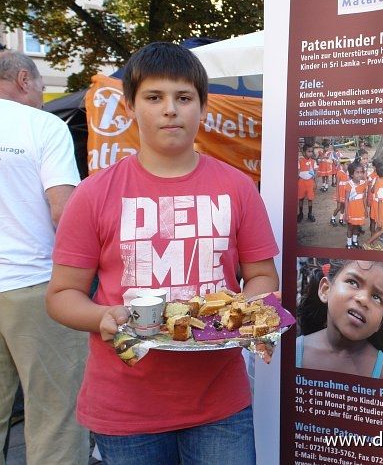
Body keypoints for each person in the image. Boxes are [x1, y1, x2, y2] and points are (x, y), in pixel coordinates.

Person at [45, 42, 280, 464]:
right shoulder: (93, 194)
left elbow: (263, 276)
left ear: (203, 108)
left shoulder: (238, 187)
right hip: (125, 406)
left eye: (184, 97)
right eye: (154, 97)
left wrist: (246, 315)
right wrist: (102, 317)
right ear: (131, 107)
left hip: (219, 403)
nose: (170, 109)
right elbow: (62, 295)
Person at [0, 50, 89, 464]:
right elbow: (64, 212)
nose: (40, 92)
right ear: (23, 78)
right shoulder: (42, 126)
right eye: (38, 85)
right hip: (34, 284)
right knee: (56, 412)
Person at [295, 260, 383, 380]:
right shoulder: (292, 351)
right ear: (325, 290)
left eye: (376, 297)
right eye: (353, 283)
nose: (363, 299)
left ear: (381, 322)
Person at [366, 158, 383, 250]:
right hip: (382, 208)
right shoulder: (381, 186)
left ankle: (373, 243)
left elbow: (373, 190)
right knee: (382, 229)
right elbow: (381, 202)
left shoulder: (378, 179)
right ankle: (367, 243)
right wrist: (380, 217)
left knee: (379, 228)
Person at [344, 160, 368, 249]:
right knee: (350, 227)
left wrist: (366, 209)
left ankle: (354, 241)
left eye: (361, 172)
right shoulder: (349, 185)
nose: (360, 174)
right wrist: (346, 213)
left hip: (360, 209)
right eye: (357, 172)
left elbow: (364, 197)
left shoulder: (363, 183)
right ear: (351, 174)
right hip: (351, 210)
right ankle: (349, 243)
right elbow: (346, 199)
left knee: (357, 226)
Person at [298, 143, 317, 222]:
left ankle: (310, 213)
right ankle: (300, 213)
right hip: (301, 182)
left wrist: (315, 183)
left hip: (310, 182)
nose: (310, 153)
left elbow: (315, 173)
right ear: (304, 152)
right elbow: (298, 172)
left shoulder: (313, 161)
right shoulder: (300, 161)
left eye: (311, 151)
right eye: (309, 151)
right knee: (300, 198)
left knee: (310, 198)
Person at [331, 158, 349, 226]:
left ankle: (341, 219)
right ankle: (332, 217)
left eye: (348, 164)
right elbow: (337, 185)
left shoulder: (348, 173)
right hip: (340, 193)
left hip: (345, 193)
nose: (348, 166)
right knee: (338, 207)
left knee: (343, 207)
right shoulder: (339, 173)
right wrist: (337, 194)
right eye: (347, 164)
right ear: (342, 165)